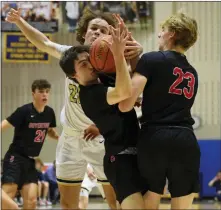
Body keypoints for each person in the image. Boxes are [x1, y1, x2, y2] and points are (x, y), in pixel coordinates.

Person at [6, 8, 143, 209]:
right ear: (84, 33)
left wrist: (134, 54)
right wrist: (19, 21)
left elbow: (130, 97)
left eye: (103, 30)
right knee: (68, 203)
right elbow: (43, 42)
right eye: (93, 28)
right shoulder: (71, 55)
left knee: (114, 201)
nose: (97, 32)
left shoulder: (114, 67)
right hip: (71, 139)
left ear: (110, 38)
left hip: (101, 141)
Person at [59, 15, 146, 209]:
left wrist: (132, 49)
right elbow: (125, 91)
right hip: (119, 156)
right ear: (73, 75)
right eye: (83, 64)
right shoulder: (91, 94)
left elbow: (132, 83)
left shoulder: (105, 79)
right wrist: (119, 54)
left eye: (89, 62)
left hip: (135, 152)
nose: (89, 65)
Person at [118, 12, 200, 209]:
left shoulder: (152, 59)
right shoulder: (192, 72)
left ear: (171, 34)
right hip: (186, 139)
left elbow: (125, 104)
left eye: (162, 31)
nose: (159, 35)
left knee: (149, 201)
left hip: (155, 137)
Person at [1, 79, 59, 209]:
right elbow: (3, 126)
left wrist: (59, 138)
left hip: (31, 161)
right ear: (33, 93)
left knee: (32, 201)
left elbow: (49, 130)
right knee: (8, 196)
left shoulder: (49, 113)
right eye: (41, 92)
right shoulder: (24, 111)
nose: (45, 95)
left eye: (47, 92)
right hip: (15, 157)